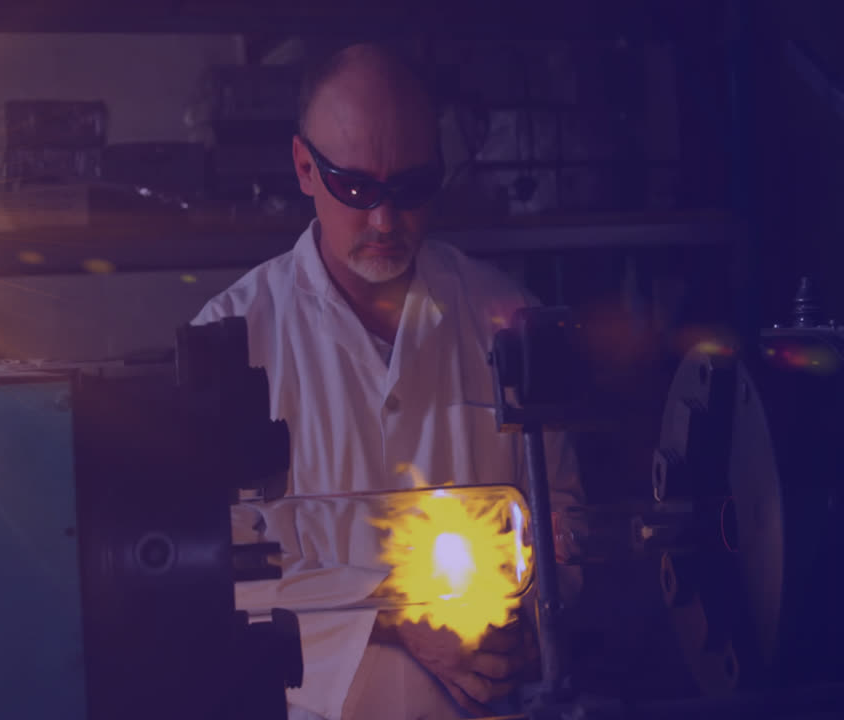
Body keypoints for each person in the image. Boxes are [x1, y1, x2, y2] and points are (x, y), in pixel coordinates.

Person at [193, 42, 583, 720]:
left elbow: (568, 522)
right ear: (304, 167)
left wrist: (523, 624)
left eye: (410, 189)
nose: (384, 220)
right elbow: (207, 567)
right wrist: (388, 618)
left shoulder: (503, 318)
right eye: (357, 188)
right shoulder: (231, 338)